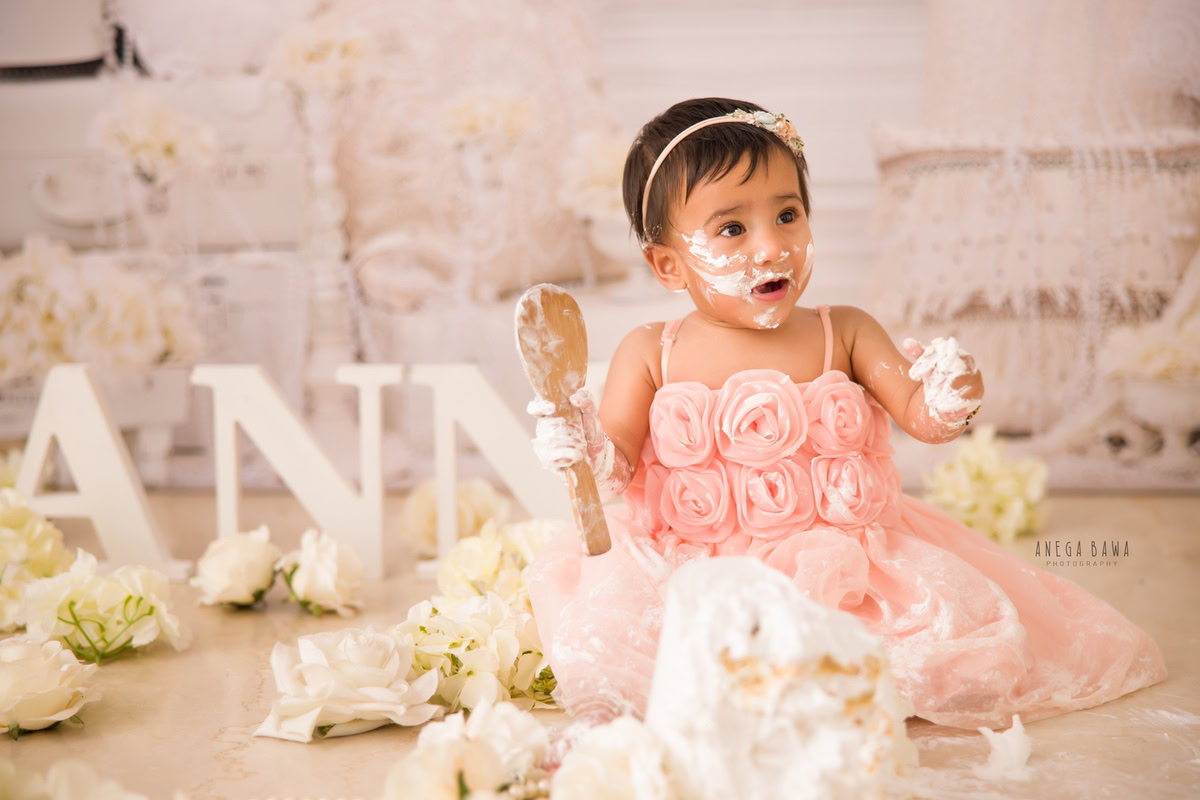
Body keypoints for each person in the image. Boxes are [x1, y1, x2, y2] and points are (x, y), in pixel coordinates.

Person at [524, 97, 1168, 730]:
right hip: (696, 567)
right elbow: (614, 472)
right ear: (668, 265)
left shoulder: (846, 332)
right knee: (647, 658)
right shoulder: (650, 351)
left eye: (787, 214)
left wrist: (951, 396)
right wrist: (579, 442)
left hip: (843, 564)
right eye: (731, 228)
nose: (771, 246)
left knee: (921, 653)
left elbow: (925, 420)